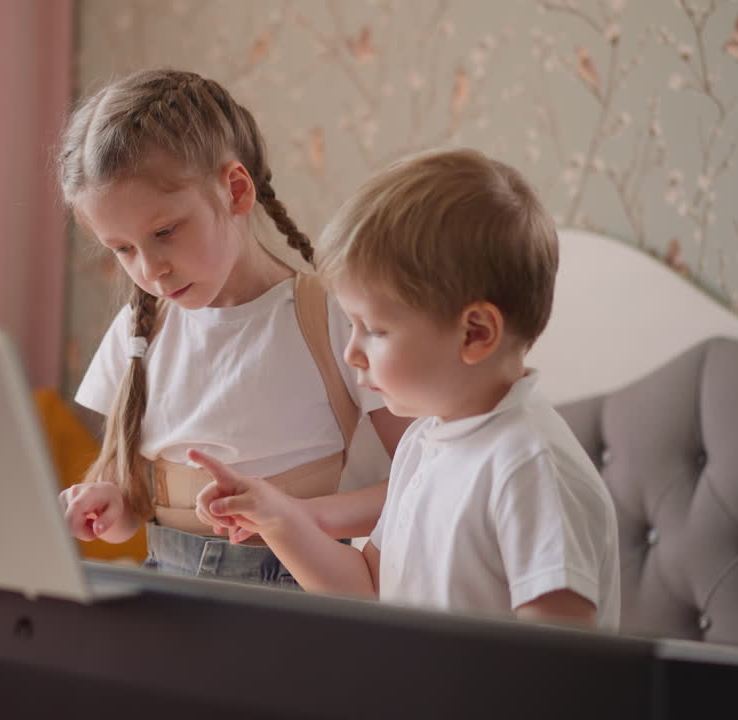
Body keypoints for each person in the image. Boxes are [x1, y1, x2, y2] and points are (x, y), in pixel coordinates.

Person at [193, 148, 621, 628]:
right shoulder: (424, 442)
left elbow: (563, 668)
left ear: (475, 333)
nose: (352, 352)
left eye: (373, 329)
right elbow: (369, 587)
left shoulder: (530, 467)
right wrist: (278, 520)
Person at [56, 68, 411, 588]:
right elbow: (133, 504)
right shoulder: (141, 328)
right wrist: (109, 507)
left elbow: (421, 479)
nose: (149, 269)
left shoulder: (329, 316)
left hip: (298, 592)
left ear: (236, 191)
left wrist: (301, 519)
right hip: (169, 592)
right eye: (123, 249)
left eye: (164, 232)